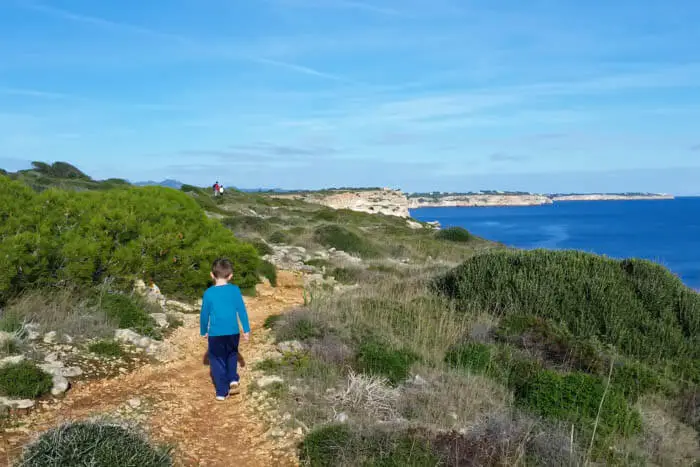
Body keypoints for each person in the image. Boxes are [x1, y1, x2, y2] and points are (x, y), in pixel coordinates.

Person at [200, 258, 250, 401]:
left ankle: (222, 392)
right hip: (233, 331)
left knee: (216, 360)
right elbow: (242, 310)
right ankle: (233, 378)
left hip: (216, 333)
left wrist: (203, 331)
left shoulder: (208, 293)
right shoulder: (235, 290)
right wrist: (246, 330)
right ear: (230, 276)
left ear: (211, 275)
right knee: (232, 354)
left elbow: (204, 314)